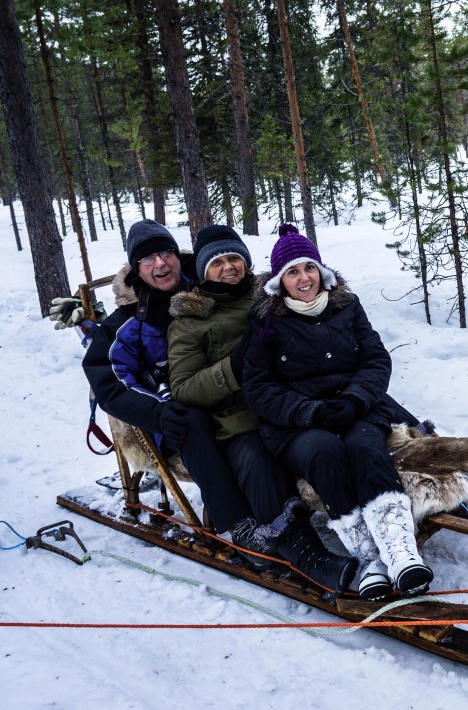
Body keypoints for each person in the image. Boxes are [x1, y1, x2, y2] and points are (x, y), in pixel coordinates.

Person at [243, 223, 433, 599]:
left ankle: (401, 552)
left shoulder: (347, 306)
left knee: (365, 445)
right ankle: (368, 559)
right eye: (293, 272)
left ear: (321, 271)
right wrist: (311, 411)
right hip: (299, 423)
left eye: (309, 268)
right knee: (324, 452)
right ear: (280, 281)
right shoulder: (266, 322)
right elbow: (259, 388)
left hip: (355, 405)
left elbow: (376, 358)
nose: (304, 278)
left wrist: (356, 399)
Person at [167, 225, 356, 593]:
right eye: (218, 262)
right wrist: (233, 367)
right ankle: (303, 552)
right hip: (239, 420)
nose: (229, 267)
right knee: (257, 460)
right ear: (205, 270)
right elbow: (184, 389)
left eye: (235, 258)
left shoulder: (268, 295)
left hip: (293, 401)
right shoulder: (190, 321)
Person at [80, 220, 265, 562]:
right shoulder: (124, 324)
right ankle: (237, 524)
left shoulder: (209, 285)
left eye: (166, 252)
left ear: (179, 257)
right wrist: (159, 412)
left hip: (229, 389)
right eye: (148, 258)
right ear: (136, 268)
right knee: (189, 416)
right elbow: (110, 380)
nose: (161, 263)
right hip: (175, 412)